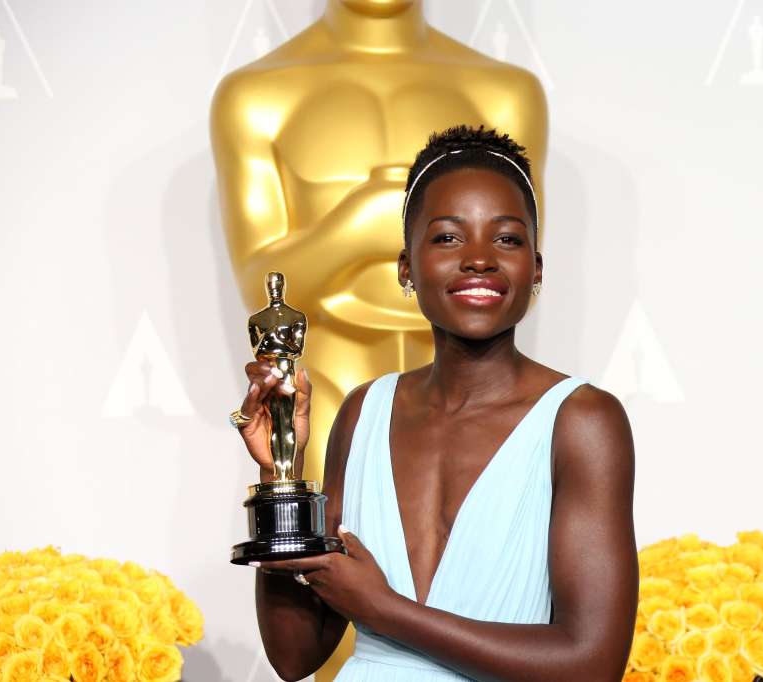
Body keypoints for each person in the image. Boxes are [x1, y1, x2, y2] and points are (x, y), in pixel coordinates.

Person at [233, 125, 638, 681]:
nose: (478, 259)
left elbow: (591, 666)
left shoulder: (582, 420)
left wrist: (383, 610)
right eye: (448, 237)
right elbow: (295, 656)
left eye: (507, 239)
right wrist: (281, 475)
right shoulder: (363, 412)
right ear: (406, 268)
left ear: (536, 270)